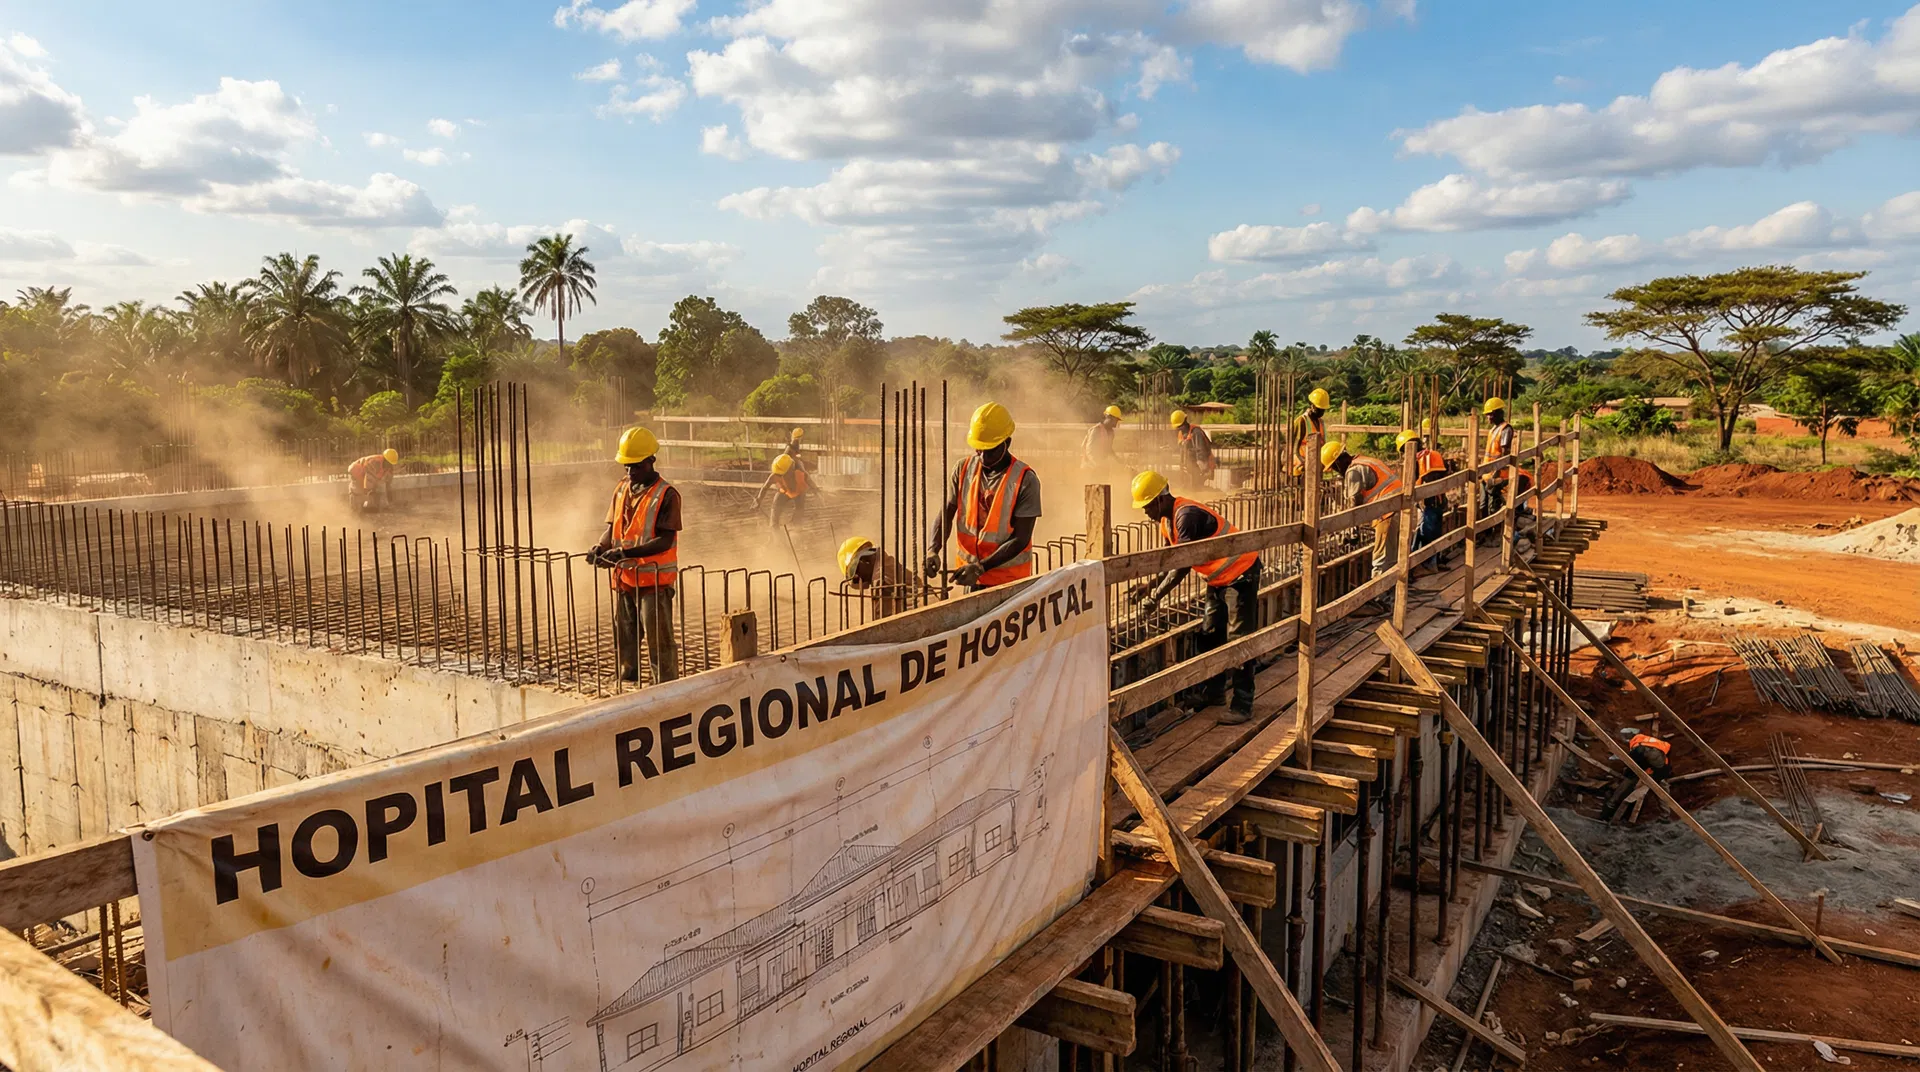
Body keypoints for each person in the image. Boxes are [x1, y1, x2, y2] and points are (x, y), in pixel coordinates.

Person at [1128, 470, 1263, 723]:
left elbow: (1182, 566)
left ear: (1160, 499)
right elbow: (1172, 559)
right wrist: (1151, 584)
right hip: (1218, 580)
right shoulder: (1167, 521)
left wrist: (1156, 598)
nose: (1145, 513)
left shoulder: (1186, 516)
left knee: (1239, 641)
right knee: (1210, 635)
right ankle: (1214, 694)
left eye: (1147, 507)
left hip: (1241, 575)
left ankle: (1243, 705)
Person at [588, 426, 680, 684]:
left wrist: (625, 553)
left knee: (659, 644)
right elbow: (612, 527)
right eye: (626, 466)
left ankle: (666, 689)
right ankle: (628, 683)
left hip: (653, 584)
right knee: (625, 639)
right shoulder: (621, 489)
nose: (630, 472)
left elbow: (665, 539)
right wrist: (600, 548)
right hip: (625, 580)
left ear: (651, 461)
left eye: (636, 466)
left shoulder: (666, 495)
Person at [925, 402, 1040, 591]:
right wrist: (933, 549)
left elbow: (1021, 537)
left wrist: (980, 568)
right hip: (971, 579)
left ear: (1007, 442)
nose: (984, 456)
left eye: (990, 450)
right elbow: (946, 513)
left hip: (1009, 584)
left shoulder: (1025, 480)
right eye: (979, 449)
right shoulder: (962, 470)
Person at [1322, 440, 1404, 580]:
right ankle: (1392, 589)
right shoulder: (1365, 460)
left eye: (1334, 468)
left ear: (1338, 462)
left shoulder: (1353, 470)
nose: (1337, 472)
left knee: (1381, 556)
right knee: (1393, 553)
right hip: (1398, 504)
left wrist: (1353, 530)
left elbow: (1355, 502)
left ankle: (1380, 593)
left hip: (1386, 510)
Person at [1602, 727, 1673, 822]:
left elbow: (1640, 757)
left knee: (1632, 779)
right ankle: (1665, 814)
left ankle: (1611, 803)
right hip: (1658, 756)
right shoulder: (1649, 741)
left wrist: (1631, 773)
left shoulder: (1637, 744)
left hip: (1648, 754)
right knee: (1661, 784)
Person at [1400, 423, 1450, 555]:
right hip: (1440, 500)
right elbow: (1445, 473)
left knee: (1425, 533)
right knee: (1436, 532)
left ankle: (1427, 564)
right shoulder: (1435, 454)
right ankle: (1436, 561)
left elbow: (1415, 481)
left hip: (1426, 502)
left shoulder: (1416, 460)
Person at [838, 536, 907, 620]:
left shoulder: (880, 581)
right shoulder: (887, 563)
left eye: (855, 571)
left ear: (864, 560)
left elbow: (882, 624)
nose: (857, 576)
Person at [1482, 397, 1518, 517]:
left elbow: (1504, 454)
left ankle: (1495, 532)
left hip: (1497, 474)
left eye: (1491, 414)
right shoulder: (1493, 430)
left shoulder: (1505, 429)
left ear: (1498, 413)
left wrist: (1496, 474)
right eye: (1487, 415)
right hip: (1487, 474)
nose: (1489, 417)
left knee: (1493, 507)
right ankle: (1485, 533)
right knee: (1483, 505)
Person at [754, 453, 809, 530]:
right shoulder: (775, 476)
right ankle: (775, 531)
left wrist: (817, 492)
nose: (781, 476)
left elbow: (810, 482)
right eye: (779, 474)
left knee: (799, 510)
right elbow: (765, 487)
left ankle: (797, 528)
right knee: (775, 509)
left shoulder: (800, 472)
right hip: (784, 491)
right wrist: (758, 500)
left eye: (784, 474)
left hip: (799, 492)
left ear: (791, 468)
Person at [1289, 388, 1331, 475]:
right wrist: (1303, 461)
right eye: (1319, 408)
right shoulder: (1301, 421)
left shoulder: (1321, 422)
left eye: (1323, 409)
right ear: (1312, 405)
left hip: (1315, 464)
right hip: (1300, 465)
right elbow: (1294, 447)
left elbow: (1323, 444)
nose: (1321, 412)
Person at [1171, 410, 1215, 484]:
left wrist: (1203, 469)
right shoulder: (1182, 434)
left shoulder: (1196, 432)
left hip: (1199, 467)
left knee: (1196, 488)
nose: (1179, 429)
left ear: (1185, 422)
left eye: (1180, 426)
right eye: (1177, 427)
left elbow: (1201, 450)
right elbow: (1182, 448)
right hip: (1189, 467)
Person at [1082, 405, 1124, 472]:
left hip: (1102, 467)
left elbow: (1108, 449)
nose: (1116, 423)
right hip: (1090, 468)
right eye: (1116, 420)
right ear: (1109, 417)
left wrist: (1118, 460)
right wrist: (1096, 464)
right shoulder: (1096, 430)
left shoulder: (1111, 433)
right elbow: (1089, 450)